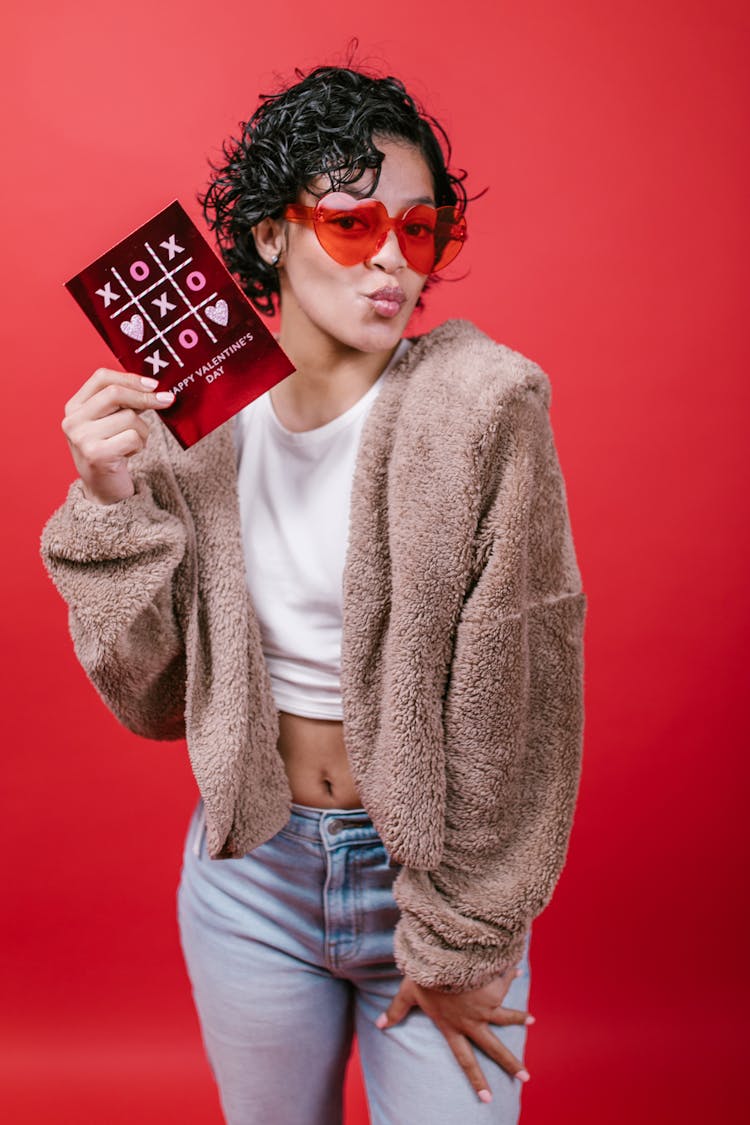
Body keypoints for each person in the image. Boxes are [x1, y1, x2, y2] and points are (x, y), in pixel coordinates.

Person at [40, 63, 587, 1125]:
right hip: (252, 875)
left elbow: (517, 708)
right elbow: (149, 696)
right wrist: (111, 502)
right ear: (269, 235)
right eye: (351, 224)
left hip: (430, 879)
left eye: (421, 232)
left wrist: (465, 939)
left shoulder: (482, 408)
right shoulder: (191, 424)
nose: (392, 258)